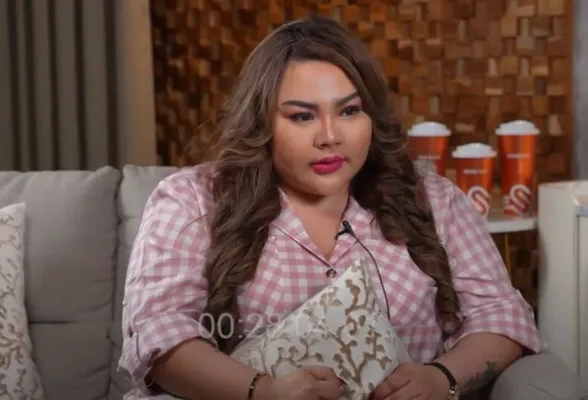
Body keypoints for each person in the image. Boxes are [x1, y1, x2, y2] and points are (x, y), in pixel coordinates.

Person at [119, 16, 543, 400]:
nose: (329, 136)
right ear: (262, 121)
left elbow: (501, 315)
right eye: (302, 117)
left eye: (349, 111)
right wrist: (263, 391)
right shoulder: (191, 201)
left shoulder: (436, 200)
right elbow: (159, 331)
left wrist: (441, 378)